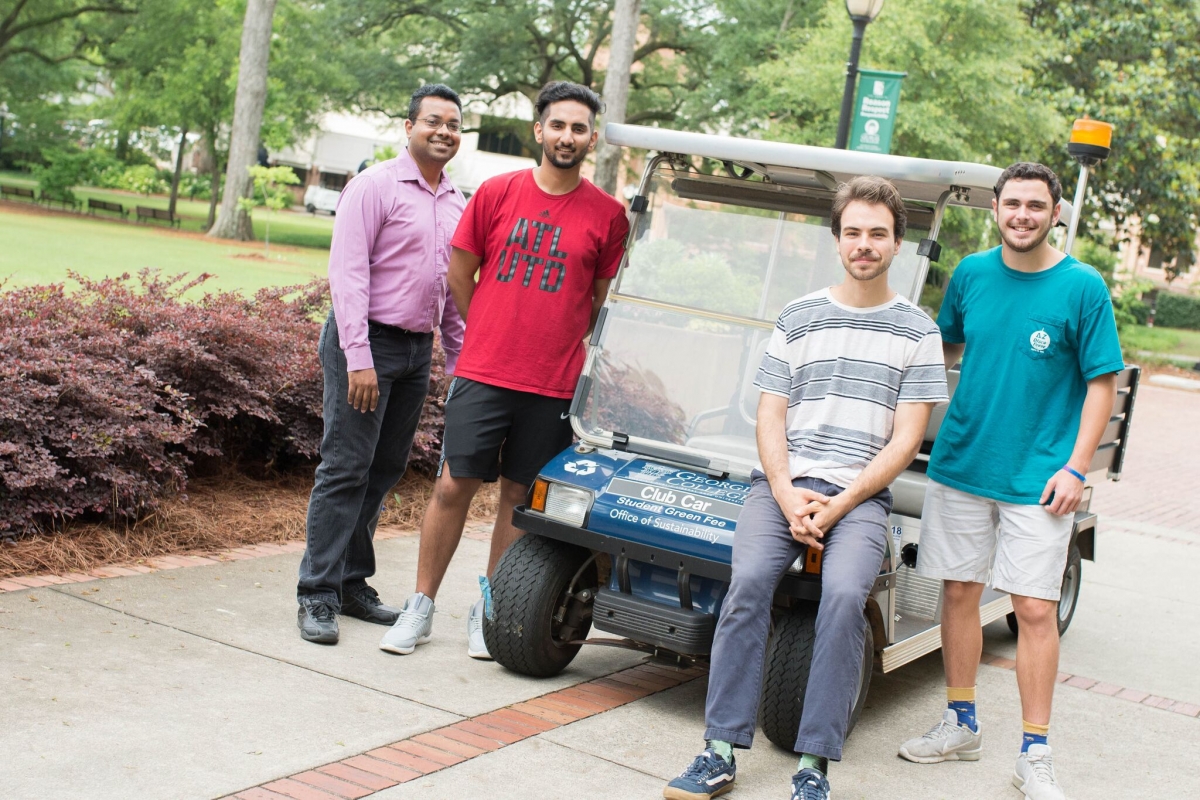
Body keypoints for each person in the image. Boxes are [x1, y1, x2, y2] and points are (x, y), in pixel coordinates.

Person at [665, 177, 949, 800]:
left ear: (897, 242)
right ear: (838, 239)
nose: (864, 244)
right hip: (783, 488)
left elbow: (905, 442)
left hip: (861, 499)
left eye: (878, 233)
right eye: (853, 232)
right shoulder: (798, 316)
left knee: (846, 597)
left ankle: (813, 766)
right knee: (745, 587)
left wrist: (841, 502)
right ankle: (718, 751)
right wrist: (789, 492)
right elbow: (769, 416)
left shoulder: (917, 331)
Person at [379, 81, 630, 660]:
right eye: (558, 125)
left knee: (519, 497)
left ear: (591, 138)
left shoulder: (607, 216)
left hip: (553, 384)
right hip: (486, 370)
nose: (568, 136)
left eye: (579, 128)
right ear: (538, 130)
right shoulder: (496, 193)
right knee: (452, 485)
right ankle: (420, 607)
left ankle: (489, 611)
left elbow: (598, 303)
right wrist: (489, 331)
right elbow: (460, 275)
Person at [898, 162, 1124, 800]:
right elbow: (941, 352)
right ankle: (960, 723)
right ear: (995, 208)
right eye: (1011, 203)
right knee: (960, 593)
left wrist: (1076, 467)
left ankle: (1035, 752)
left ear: (1056, 213)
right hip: (963, 464)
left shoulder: (1083, 287)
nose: (1022, 215)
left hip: (1038, 476)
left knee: (1032, 608)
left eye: (1035, 205)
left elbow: (1102, 384)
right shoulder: (971, 274)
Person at [296, 84, 467, 645]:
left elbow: (451, 289)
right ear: (409, 126)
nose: (444, 131)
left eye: (453, 124)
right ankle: (316, 593)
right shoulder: (373, 186)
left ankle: (350, 583)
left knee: (384, 468)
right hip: (364, 344)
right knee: (345, 467)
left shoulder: (455, 201)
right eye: (433, 121)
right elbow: (347, 276)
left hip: (416, 352)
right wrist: (359, 358)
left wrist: (458, 362)